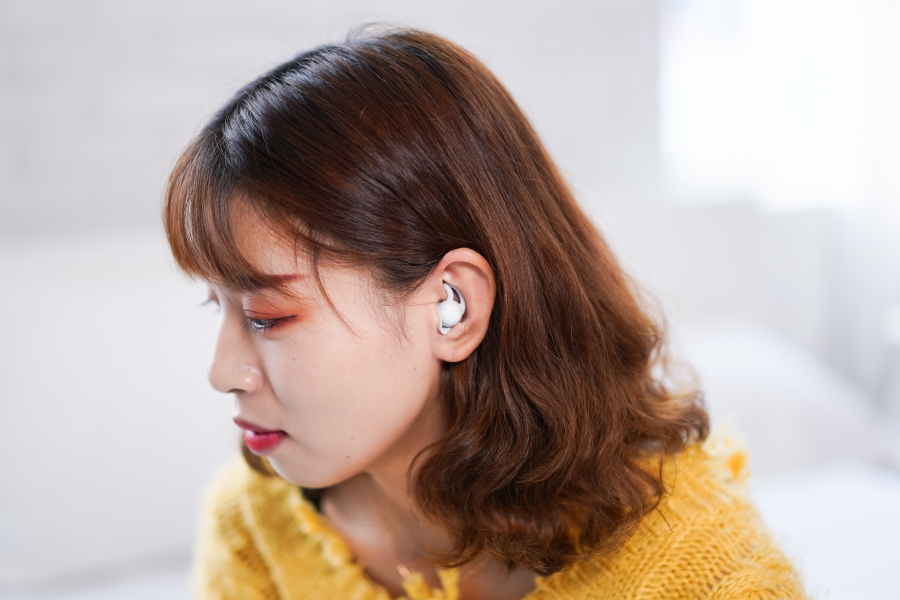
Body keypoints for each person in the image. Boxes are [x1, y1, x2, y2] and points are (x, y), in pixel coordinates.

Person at [163, 27, 807, 600]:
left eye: (267, 317)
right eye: (215, 305)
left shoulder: (712, 580)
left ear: (454, 306)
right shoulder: (255, 525)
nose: (222, 372)